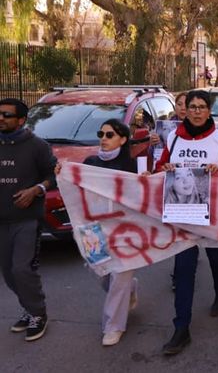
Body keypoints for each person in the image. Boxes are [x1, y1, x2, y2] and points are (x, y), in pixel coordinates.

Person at [152, 90, 218, 355]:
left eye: (202, 107)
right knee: (183, 268)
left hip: (213, 212)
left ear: (208, 110)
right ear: (186, 109)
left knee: (215, 257)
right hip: (182, 213)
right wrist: (164, 169)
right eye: (193, 107)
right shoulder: (173, 137)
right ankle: (181, 328)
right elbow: (161, 166)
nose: (197, 111)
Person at [0, 98, 56, 343]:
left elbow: (52, 176)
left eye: (7, 115)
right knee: (8, 273)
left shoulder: (38, 146)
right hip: (2, 221)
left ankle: (38, 313)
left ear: (21, 120)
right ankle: (28, 307)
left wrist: (36, 190)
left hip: (27, 220)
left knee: (22, 269)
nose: (1, 119)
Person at [82, 120, 140, 346]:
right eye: (101, 133)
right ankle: (132, 288)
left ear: (123, 139)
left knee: (119, 278)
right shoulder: (90, 162)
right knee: (101, 272)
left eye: (109, 134)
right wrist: (62, 172)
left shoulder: (132, 165)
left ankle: (113, 326)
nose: (103, 138)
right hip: (93, 230)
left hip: (125, 230)